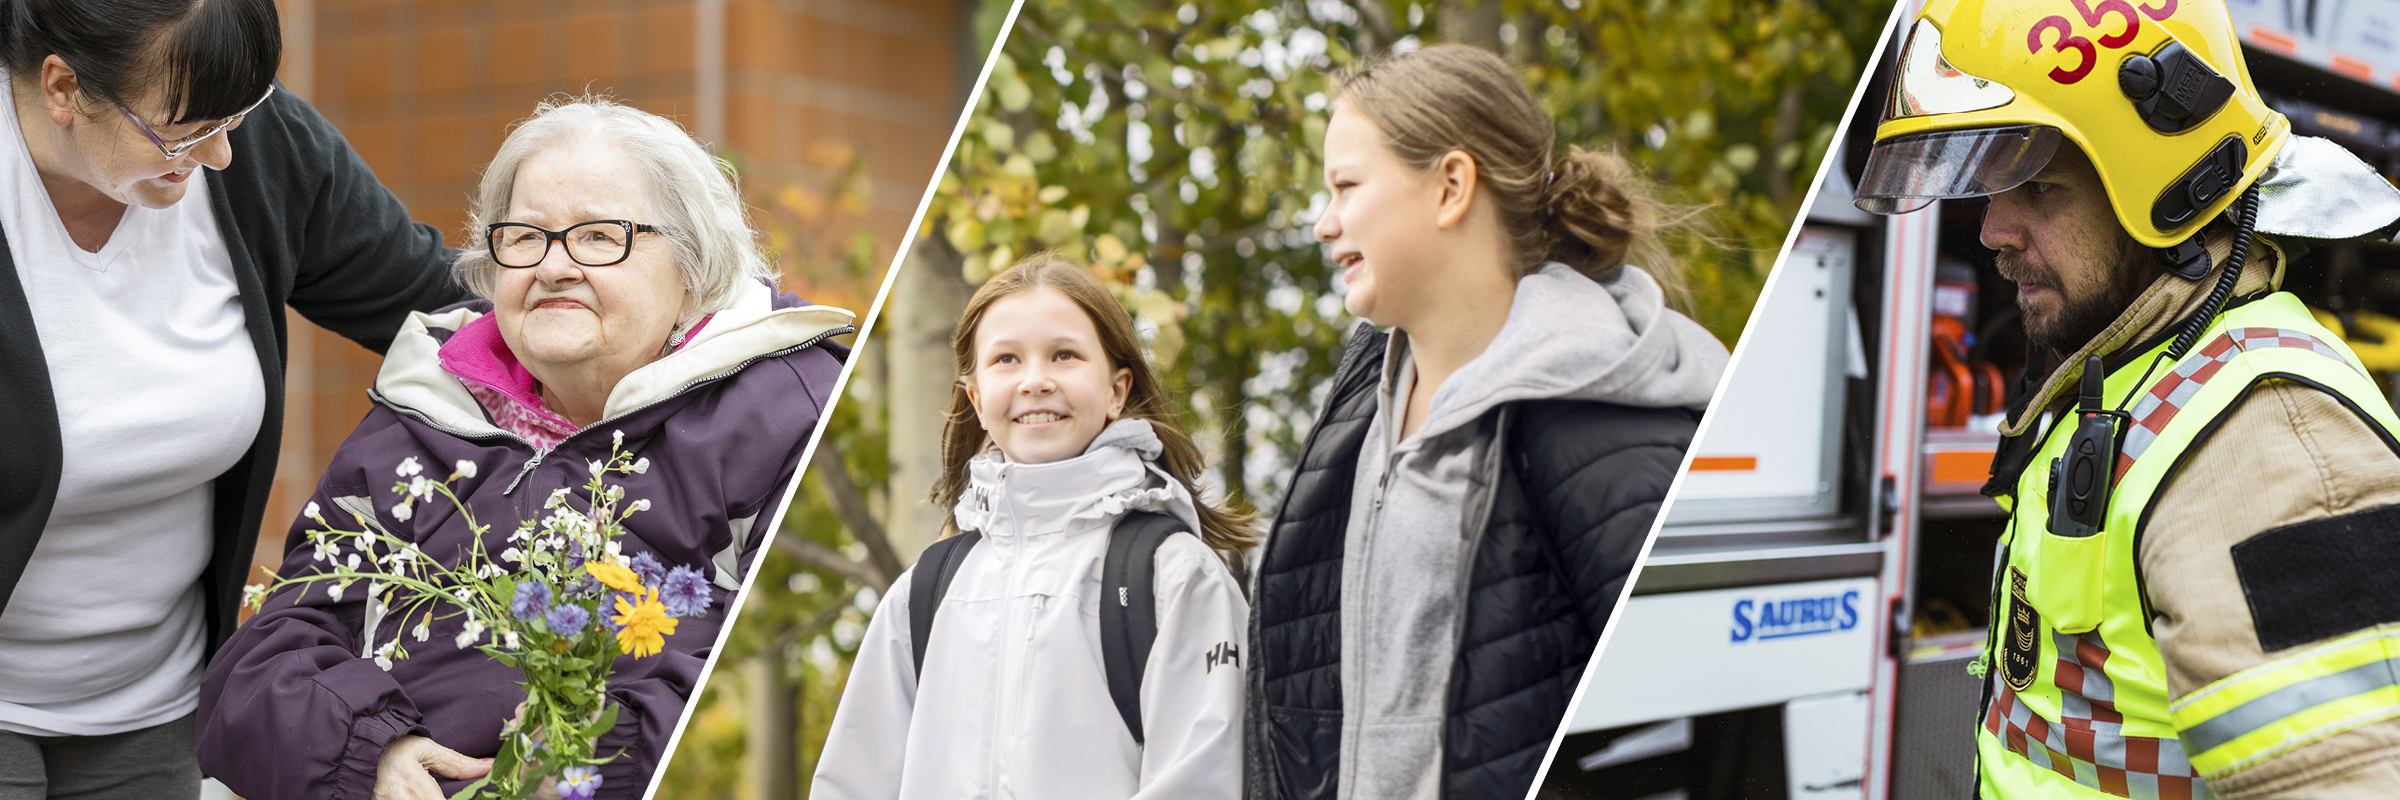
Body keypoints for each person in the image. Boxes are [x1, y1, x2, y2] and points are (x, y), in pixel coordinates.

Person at [194, 97, 855, 800]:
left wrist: (590, 763)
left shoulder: (789, 412)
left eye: (599, 237)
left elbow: (775, 675)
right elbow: (263, 665)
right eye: (525, 237)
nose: (554, 266)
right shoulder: (425, 410)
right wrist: (371, 755)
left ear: (693, 266)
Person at [1853, 0, 2400, 796]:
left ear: (2170, 188)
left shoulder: (2273, 438)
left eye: (2038, 186)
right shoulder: (2135, 371)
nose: (1993, 229)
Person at [0, 0, 470, 796]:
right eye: (182, 132)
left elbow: (437, 305)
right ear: (63, 88)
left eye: (236, 118)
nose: (219, 154)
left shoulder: (250, 142)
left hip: (157, 704)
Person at [1245, 44, 1730, 800]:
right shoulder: (1363, 397)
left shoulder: (1595, 418)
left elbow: (1664, 709)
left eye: (1345, 187)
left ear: (1450, 187)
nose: (1322, 223)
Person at [811, 256, 1253, 800]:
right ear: (976, 399)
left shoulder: (1176, 577)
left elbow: (1206, 780)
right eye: (1006, 359)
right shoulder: (922, 595)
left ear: (1116, 390)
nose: (1036, 381)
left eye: (1065, 355)